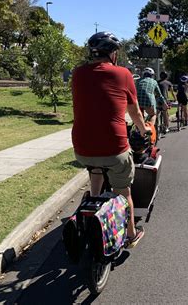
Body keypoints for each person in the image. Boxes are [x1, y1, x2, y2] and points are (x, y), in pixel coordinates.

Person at [71, 31, 151, 248]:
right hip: (114, 148)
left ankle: (92, 205)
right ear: (113, 54)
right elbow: (134, 112)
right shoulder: (123, 74)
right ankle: (131, 234)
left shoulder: (78, 73)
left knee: (95, 168)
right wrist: (144, 131)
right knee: (124, 191)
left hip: (81, 147)